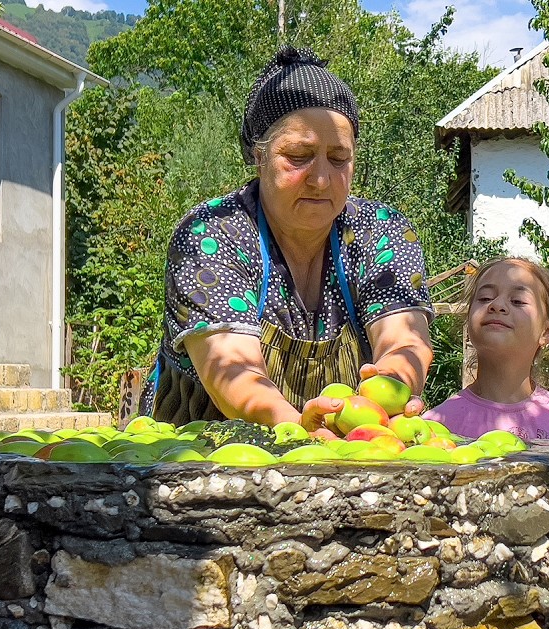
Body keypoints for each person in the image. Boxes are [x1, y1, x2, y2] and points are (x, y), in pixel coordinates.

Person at [148, 47, 434, 429]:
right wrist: (297, 428)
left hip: (341, 459)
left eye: (338, 158)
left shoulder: (380, 231)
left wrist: (390, 390)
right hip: (203, 455)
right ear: (258, 156)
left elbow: (404, 341)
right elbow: (234, 374)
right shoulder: (213, 232)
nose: (321, 179)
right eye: (298, 156)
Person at [424, 258, 549, 443]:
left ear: (546, 331)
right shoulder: (436, 424)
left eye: (517, 301)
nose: (497, 305)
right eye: (485, 298)